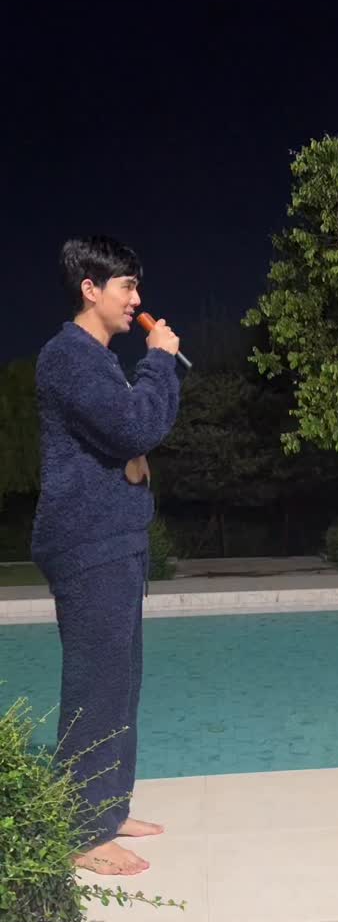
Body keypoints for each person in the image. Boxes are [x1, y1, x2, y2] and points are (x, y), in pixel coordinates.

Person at [32, 235, 181, 875]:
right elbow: (135, 427)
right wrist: (160, 361)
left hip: (115, 540)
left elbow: (133, 433)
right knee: (96, 686)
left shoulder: (98, 360)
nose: (137, 299)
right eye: (127, 286)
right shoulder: (68, 357)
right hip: (87, 542)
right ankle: (81, 830)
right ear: (90, 288)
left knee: (121, 683)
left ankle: (108, 809)